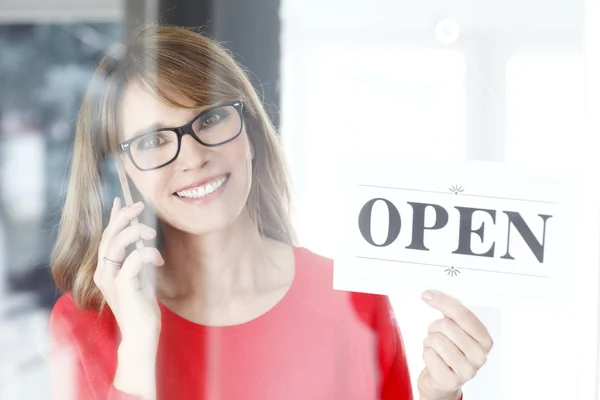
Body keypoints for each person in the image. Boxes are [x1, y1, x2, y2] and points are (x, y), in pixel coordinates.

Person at [49, 25, 493, 400]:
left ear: (252, 133)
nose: (193, 157)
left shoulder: (354, 299)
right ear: (119, 170)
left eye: (209, 119)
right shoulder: (86, 324)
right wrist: (139, 347)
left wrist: (439, 395)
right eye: (153, 141)